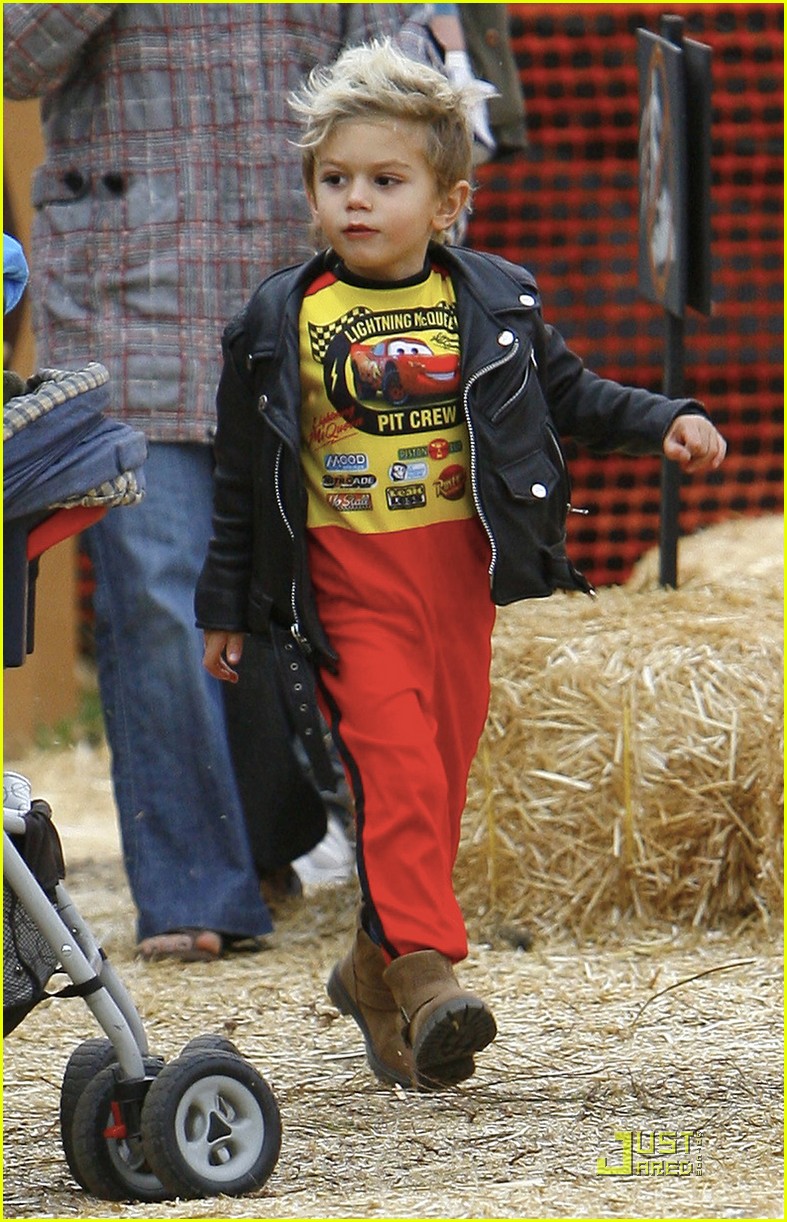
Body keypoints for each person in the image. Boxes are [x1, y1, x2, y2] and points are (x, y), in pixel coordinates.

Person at [196, 38, 726, 1089]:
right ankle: (433, 972)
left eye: (385, 182)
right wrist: (227, 606)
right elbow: (238, 480)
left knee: (434, 785)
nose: (356, 201)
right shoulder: (276, 320)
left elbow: (569, 398)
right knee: (392, 770)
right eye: (335, 180)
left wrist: (665, 416)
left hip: (456, 579)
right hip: (346, 582)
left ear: (446, 203)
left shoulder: (494, 299)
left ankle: (369, 969)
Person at [3, 5, 439, 962]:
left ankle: (335, 858)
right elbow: (16, 58)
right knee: (160, 597)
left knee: (330, 597)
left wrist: (409, 223)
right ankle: (195, 889)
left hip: (314, 296)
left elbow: (409, 64)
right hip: (125, 295)